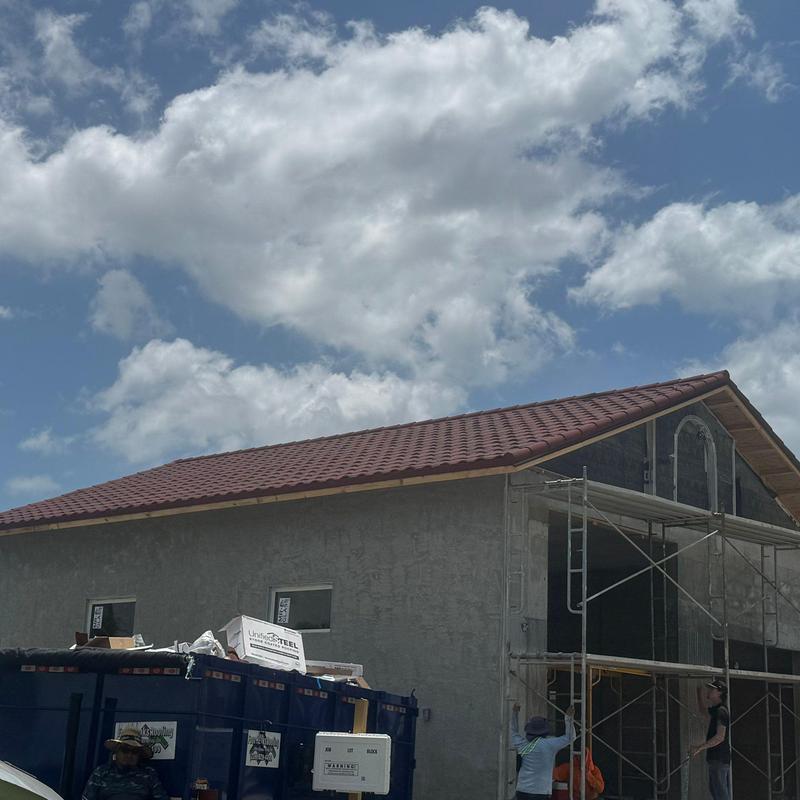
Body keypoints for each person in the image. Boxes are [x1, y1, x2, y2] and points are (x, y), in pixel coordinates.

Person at [511, 703, 576, 800]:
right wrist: (568, 718)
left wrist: (514, 713)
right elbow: (570, 737)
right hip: (542, 792)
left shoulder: (523, 744)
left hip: (523, 790)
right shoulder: (551, 744)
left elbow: (513, 732)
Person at [82, 728, 168, 800]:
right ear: (116, 752)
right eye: (125, 750)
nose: (129, 755)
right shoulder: (101, 772)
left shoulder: (149, 774)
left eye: (134, 752)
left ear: (139, 755)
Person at [689, 679, 731, 800]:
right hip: (715, 759)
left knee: (721, 794)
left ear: (719, 692)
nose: (709, 691)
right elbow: (703, 711)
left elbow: (720, 737)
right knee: (716, 792)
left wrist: (699, 747)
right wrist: (698, 693)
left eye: (712, 689)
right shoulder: (716, 709)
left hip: (719, 758)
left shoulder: (721, 711)